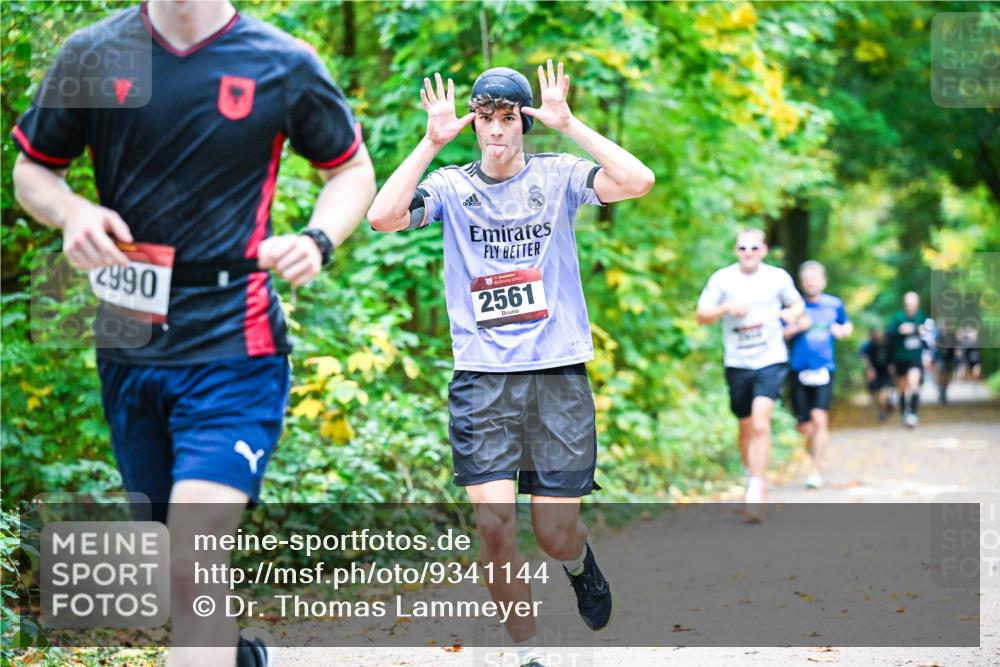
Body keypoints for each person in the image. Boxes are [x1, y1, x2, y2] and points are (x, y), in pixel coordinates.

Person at [11, 1, 376, 665]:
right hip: (129, 334)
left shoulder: (282, 62)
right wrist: (71, 212)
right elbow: (33, 169)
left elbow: (350, 168)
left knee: (192, 553)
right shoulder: (94, 53)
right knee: (170, 563)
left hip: (236, 339)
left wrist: (318, 238)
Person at [367, 61, 654, 667]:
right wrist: (429, 141)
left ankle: (578, 563)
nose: (497, 131)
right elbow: (381, 217)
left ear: (522, 121)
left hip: (556, 377)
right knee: (495, 524)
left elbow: (637, 180)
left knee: (552, 535)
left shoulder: (558, 176)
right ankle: (523, 650)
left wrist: (570, 124)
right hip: (482, 381)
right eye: (486, 119)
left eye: (507, 119)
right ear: (474, 122)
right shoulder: (450, 185)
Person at [696, 229, 804, 521]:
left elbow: (797, 304)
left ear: (764, 250)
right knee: (745, 426)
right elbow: (701, 315)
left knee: (760, 424)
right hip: (737, 362)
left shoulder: (777, 278)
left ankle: (757, 488)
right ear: (735, 250)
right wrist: (725, 308)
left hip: (770, 359)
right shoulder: (722, 279)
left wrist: (792, 315)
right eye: (743, 247)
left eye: (754, 247)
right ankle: (750, 475)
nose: (748, 252)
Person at [783, 261, 852, 489]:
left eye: (815, 279)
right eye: (807, 280)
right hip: (798, 370)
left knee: (820, 419)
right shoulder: (795, 306)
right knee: (805, 426)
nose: (812, 283)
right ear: (802, 283)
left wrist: (841, 331)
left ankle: (816, 471)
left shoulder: (834, 304)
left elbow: (846, 325)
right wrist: (795, 328)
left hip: (824, 369)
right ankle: (812, 456)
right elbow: (780, 335)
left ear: (823, 281)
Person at [887, 292, 928, 428]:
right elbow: (888, 334)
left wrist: (918, 329)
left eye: (914, 304)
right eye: (909, 305)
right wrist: (900, 330)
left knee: (914, 383)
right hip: (900, 357)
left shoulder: (921, 316)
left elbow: (929, 332)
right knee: (903, 387)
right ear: (905, 305)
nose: (911, 307)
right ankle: (904, 413)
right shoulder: (898, 317)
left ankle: (913, 414)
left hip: (915, 356)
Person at [859, 327, 894, 421]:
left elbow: (894, 355)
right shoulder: (870, 345)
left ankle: (885, 409)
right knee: (876, 394)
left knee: (885, 393)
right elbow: (863, 355)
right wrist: (869, 368)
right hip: (875, 372)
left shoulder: (889, 343)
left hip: (886, 372)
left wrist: (893, 365)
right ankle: (883, 410)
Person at [934, 320, 959, 404]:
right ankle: (941, 392)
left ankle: (943, 392)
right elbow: (935, 348)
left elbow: (956, 348)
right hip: (940, 359)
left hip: (949, 359)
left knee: (948, 376)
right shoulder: (938, 336)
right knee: (941, 375)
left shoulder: (952, 337)